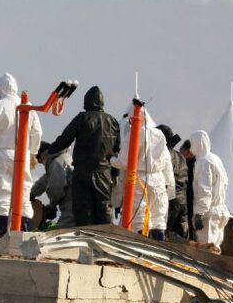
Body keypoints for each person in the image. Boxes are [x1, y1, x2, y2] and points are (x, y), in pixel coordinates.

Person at [0, 73, 42, 236]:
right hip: (23, 155)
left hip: (0, 154)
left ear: (0, 88)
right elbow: (37, 132)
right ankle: (23, 232)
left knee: (1, 193)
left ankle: (2, 233)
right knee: (23, 193)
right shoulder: (28, 106)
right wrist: (33, 152)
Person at [46, 86, 120, 226]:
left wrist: (50, 150)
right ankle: (103, 243)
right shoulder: (113, 122)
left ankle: (87, 245)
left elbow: (64, 140)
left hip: (82, 173)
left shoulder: (82, 119)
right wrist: (114, 175)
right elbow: (117, 153)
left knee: (83, 213)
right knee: (103, 212)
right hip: (104, 174)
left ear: (86, 102)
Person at [110, 106, 174, 241]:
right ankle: (159, 248)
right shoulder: (159, 135)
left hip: (139, 180)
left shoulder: (134, 134)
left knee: (139, 217)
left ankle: (142, 248)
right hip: (158, 180)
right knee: (158, 218)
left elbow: (123, 162)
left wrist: (110, 159)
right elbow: (167, 162)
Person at [188, 130, 230, 253]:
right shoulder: (215, 159)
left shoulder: (203, 163)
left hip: (209, 213)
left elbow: (204, 190)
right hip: (220, 210)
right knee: (215, 248)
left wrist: (199, 214)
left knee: (206, 250)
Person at [30, 141, 74, 228]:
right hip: (73, 205)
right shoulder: (60, 160)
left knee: (63, 233)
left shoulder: (57, 162)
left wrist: (51, 206)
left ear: (42, 156)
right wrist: (32, 193)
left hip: (72, 207)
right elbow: (46, 179)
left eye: (39, 162)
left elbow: (56, 188)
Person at [157, 124, 189, 239]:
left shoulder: (163, 154)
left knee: (163, 241)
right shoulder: (180, 156)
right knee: (181, 244)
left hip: (169, 203)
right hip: (182, 204)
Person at [180, 140, 197, 241]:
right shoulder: (191, 164)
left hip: (192, 202)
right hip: (190, 202)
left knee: (192, 230)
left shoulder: (193, 166)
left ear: (188, 151)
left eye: (182, 151)